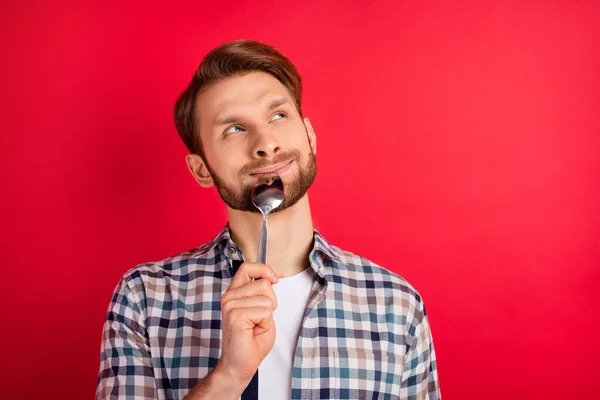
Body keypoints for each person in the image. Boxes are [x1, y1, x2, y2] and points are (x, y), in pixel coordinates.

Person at [95, 39, 441, 400]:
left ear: (309, 135)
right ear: (202, 170)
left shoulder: (395, 305)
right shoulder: (146, 298)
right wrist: (229, 376)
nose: (265, 143)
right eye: (234, 129)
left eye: (278, 115)